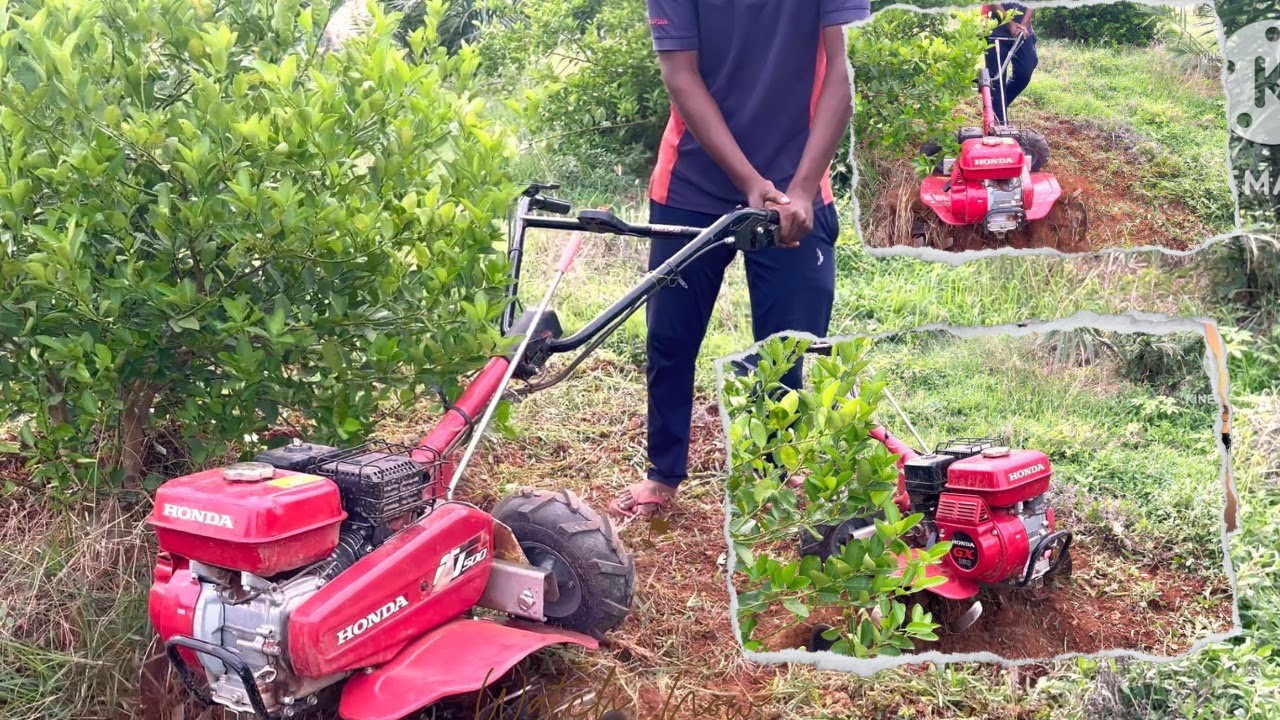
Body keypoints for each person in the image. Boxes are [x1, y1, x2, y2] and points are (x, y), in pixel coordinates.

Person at [609, 0, 868, 518]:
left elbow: (843, 72)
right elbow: (680, 76)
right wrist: (750, 182)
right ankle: (662, 475)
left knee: (787, 346)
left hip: (799, 180)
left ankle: (771, 475)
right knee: (671, 338)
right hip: (691, 181)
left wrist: (798, 188)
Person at [984, 2, 1038, 124]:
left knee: (1024, 73)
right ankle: (999, 124)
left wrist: (1023, 25)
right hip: (996, 30)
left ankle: (993, 108)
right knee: (996, 80)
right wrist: (1010, 24)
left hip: (1024, 31)